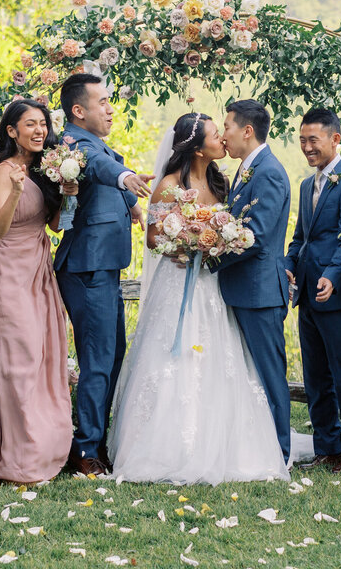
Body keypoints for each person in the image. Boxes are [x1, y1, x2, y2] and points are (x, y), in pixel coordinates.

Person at [107, 114, 289, 484]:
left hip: (213, 283)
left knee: (219, 360)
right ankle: (167, 445)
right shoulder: (170, 184)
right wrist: (182, 242)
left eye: (224, 131)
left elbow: (239, 228)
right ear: (197, 146)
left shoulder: (222, 183)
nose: (222, 138)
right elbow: (154, 237)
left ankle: (223, 441)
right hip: (179, 284)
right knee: (175, 360)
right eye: (214, 134)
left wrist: (209, 247)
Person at [0, 99, 77, 485]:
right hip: (9, 270)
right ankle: (16, 455)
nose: (39, 131)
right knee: (17, 359)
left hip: (38, 267)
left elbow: (55, 225)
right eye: (30, 124)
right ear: (11, 131)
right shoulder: (4, 171)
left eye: (43, 124)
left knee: (44, 356)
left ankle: (44, 447)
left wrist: (68, 193)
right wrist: (15, 191)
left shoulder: (44, 170)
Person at [53, 74, 151, 476]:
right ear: (79, 111)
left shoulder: (97, 143)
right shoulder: (73, 144)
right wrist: (125, 179)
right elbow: (96, 167)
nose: (111, 109)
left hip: (105, 268)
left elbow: (107, 169)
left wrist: (132, 203)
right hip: (86, 267)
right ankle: (86, 449)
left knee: (112, 357)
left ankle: (98, 440)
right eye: (103, 102)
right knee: (97, 360)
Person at [284, 108, 341, 472]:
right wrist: (288, 266)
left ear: (336, 139)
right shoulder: (307, 185)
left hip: (336, 295)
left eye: (313, 140)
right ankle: (326, 447)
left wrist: (333, 274)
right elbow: (301, 237)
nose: (307, 148)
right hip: (306, 292)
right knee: (316, 376)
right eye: (302, 140)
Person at [215, 99, 294, 462]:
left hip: (260, 291)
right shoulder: (248, 169)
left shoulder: (269, 172)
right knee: (248, 372)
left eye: (227, 126)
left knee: (269, 372)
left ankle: (279, 450)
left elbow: (255, 235)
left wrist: (209, 256)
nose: (222, 134)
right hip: (243, 289)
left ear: (247, 131)